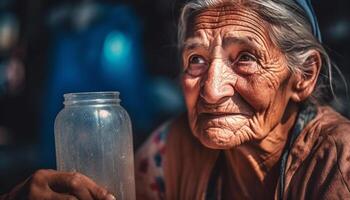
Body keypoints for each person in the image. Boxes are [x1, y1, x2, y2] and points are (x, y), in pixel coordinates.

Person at [1, 0, 350, 199]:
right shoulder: (173, 149)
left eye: (245, 58)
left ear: (303, 76)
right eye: (195, 59)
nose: (211, 90)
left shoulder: (339, 163)